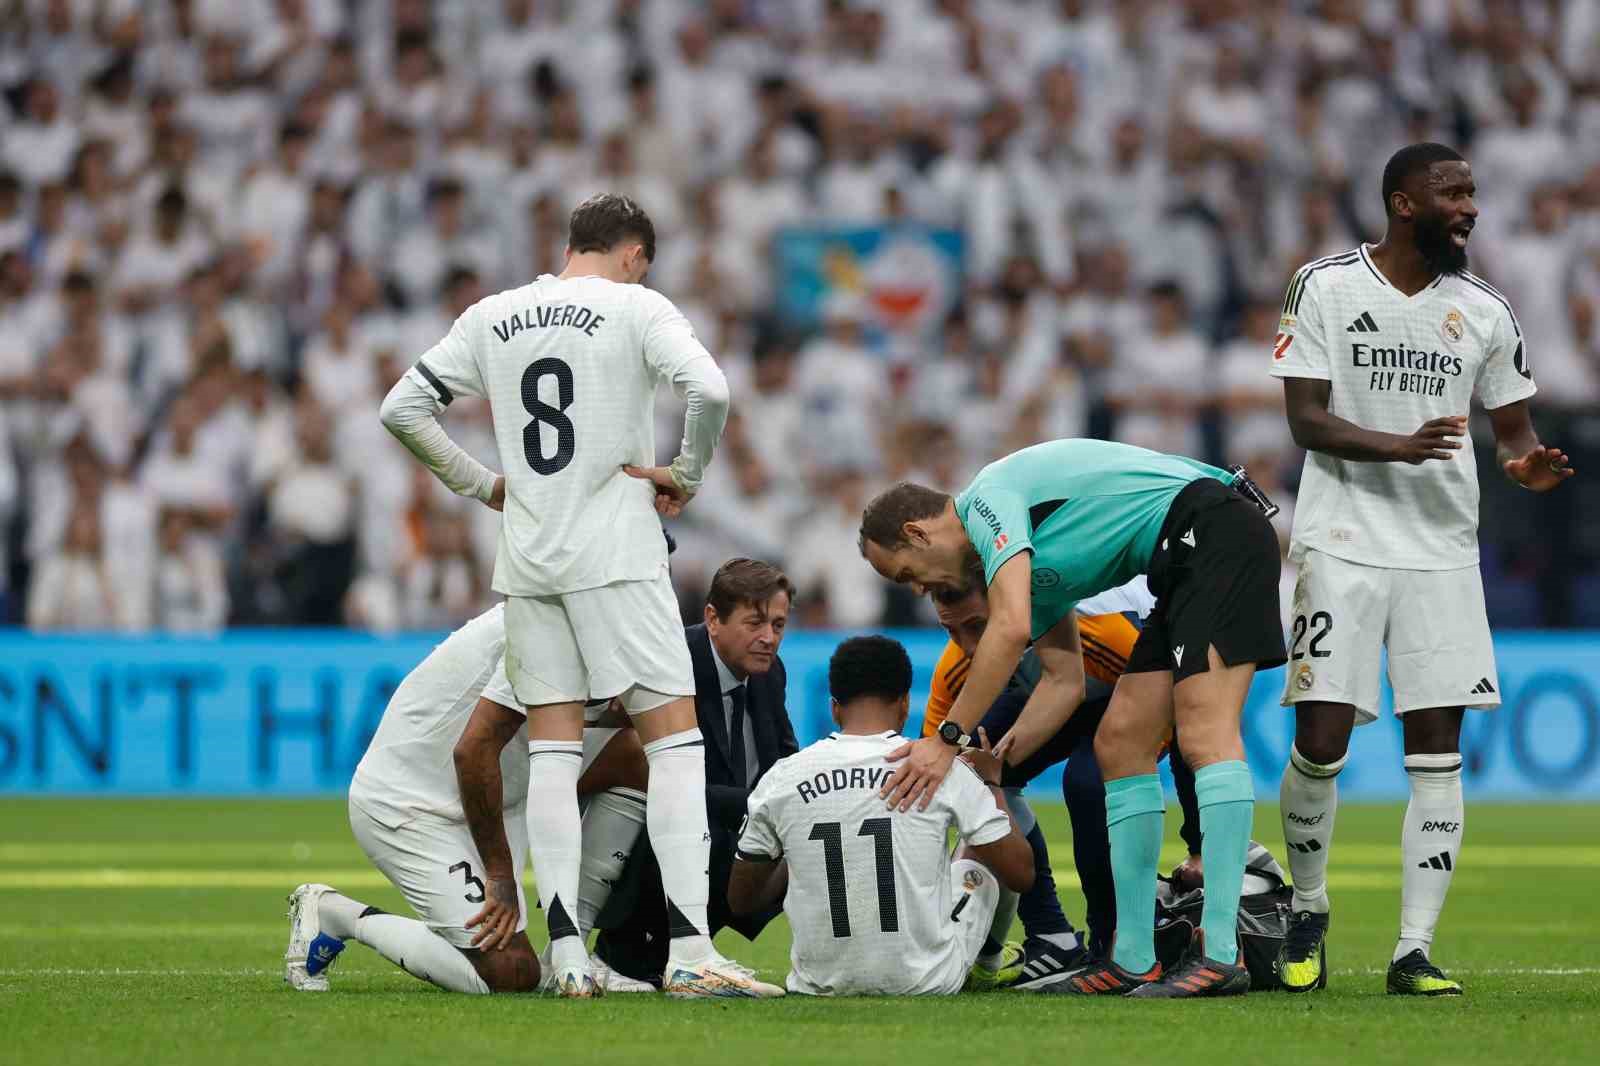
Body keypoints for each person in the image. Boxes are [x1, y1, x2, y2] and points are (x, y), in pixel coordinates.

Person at [378, 193, 761, 997]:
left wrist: (482, 485)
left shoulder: (494, 315)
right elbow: (712, 391)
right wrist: (686, 473)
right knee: (674, 740)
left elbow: (401, 407)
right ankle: (692, 952)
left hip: (529, 558)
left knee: (551, 749)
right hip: (616, 552)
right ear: (633, 255)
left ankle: (567, 958)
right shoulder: (634, 306)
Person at [1269, 142, 1573, 997]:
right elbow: (1304, 419)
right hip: (1341, 541)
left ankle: (1412, 949)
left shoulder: (1485, 310)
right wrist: (1395, 447)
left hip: (1442, 553)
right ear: (1405, 203)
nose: (1471, 207)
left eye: (1473, 192)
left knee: (1437, 749)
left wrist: (1526, 463)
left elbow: (1513, 430)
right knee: (1320, 741)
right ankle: (1309, 908)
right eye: (1454, 193)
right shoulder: (1324, 283)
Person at [858, 439, 1286, 997]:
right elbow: (1064, 683)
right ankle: (1131, 957)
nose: (917, 590)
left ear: (918, 533)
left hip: (1215, 531)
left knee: (1205, 731)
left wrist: (945, 739)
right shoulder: (1025, 565)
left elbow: (1009, 631)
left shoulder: (987, 500)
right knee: (1120, 741)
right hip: (1179, 560)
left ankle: (1222, 955)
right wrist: (993, 763)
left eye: (905, 573)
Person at [282, 603, 651, 996]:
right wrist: (500, 876)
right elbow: (473, 752)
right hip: (413, 803)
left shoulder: (615, 618)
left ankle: (568, 950)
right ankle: (338, 915)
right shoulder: (543, 624)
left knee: (635, 757)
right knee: (511, 971)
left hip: (502, 790)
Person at [924, 573, 1203, 987]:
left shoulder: (1104, 630)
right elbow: (933, 773)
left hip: (1130, 690)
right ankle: (1051, 935)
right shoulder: (955, 664)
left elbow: (1186, 713)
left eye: (977, 627)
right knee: (968, 773)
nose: (968, 646)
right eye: (952, 630)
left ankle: (1116, 939)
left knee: (1087, 783)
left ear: (1008, 607)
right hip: (1062, 694)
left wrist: (1198, 846)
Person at [726, 635, 1035, 995]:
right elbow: (1021, 873)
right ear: (905, 703)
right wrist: (990, 784)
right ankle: (987, 966)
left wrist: (798, 852)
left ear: (834, 708)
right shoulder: (941, 769)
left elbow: (741, 902)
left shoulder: (782, 777)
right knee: (974, 857)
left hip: (818, 985)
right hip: (928, 981)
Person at [591, 558, 796, 991]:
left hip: (725, 817)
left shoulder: (769, 672)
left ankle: (825, 965)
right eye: (755, 623)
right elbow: (662, 781)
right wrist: (758, 806)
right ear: (713, 619)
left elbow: (784, 759)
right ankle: (624, 957)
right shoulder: (669, 664)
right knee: (706, 824)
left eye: (778, 625)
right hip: (637, 822)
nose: (769, 638)